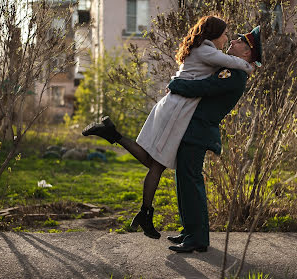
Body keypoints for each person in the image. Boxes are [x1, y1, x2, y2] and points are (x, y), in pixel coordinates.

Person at [82, 16, 253, 240]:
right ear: (213, 34)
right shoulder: (207, 50)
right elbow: (230, 63)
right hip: (176, 110)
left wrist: (175, 82)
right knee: (157, 165)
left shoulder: (200, 48)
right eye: (224, 35)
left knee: (155, 163)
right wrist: (249, 65)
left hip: (173, 107)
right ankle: (145, 212)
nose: (227, 39)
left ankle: (112, 134)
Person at [166, 26, 262, 253]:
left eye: (239, 41)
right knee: (185, 182)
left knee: (192, 183)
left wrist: (175, 84)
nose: (234, 42)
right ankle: (190, 231)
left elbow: (204, 87)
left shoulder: (234, 74)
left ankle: (197, 239)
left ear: (247, 53)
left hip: (197, 132)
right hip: (192, 129)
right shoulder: (230, 68)